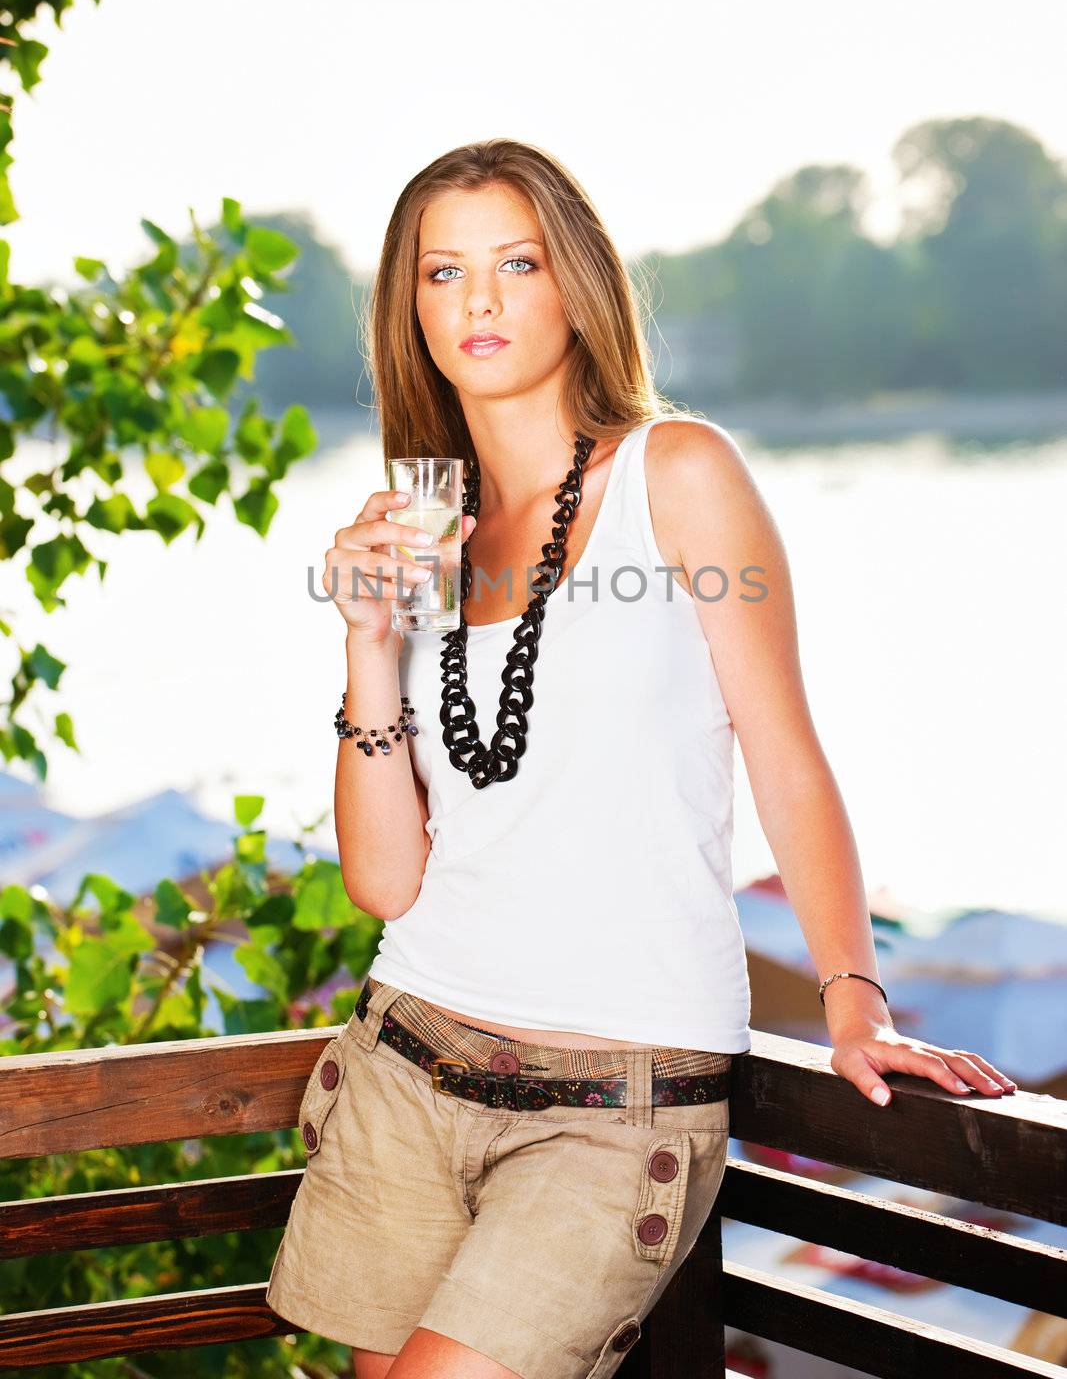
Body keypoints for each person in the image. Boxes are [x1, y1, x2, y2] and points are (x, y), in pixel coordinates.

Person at [266, 138, 1015, 1379]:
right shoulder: (415, 529)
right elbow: (385, 883)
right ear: (410, 309)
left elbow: (784, 755)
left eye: (515, 261)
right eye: (441, 274)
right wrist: (362, 640)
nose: (482, 301)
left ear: (577, 283)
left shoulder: (678, 474)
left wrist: (850, 995)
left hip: (618, 1095)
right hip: (410, 1053)